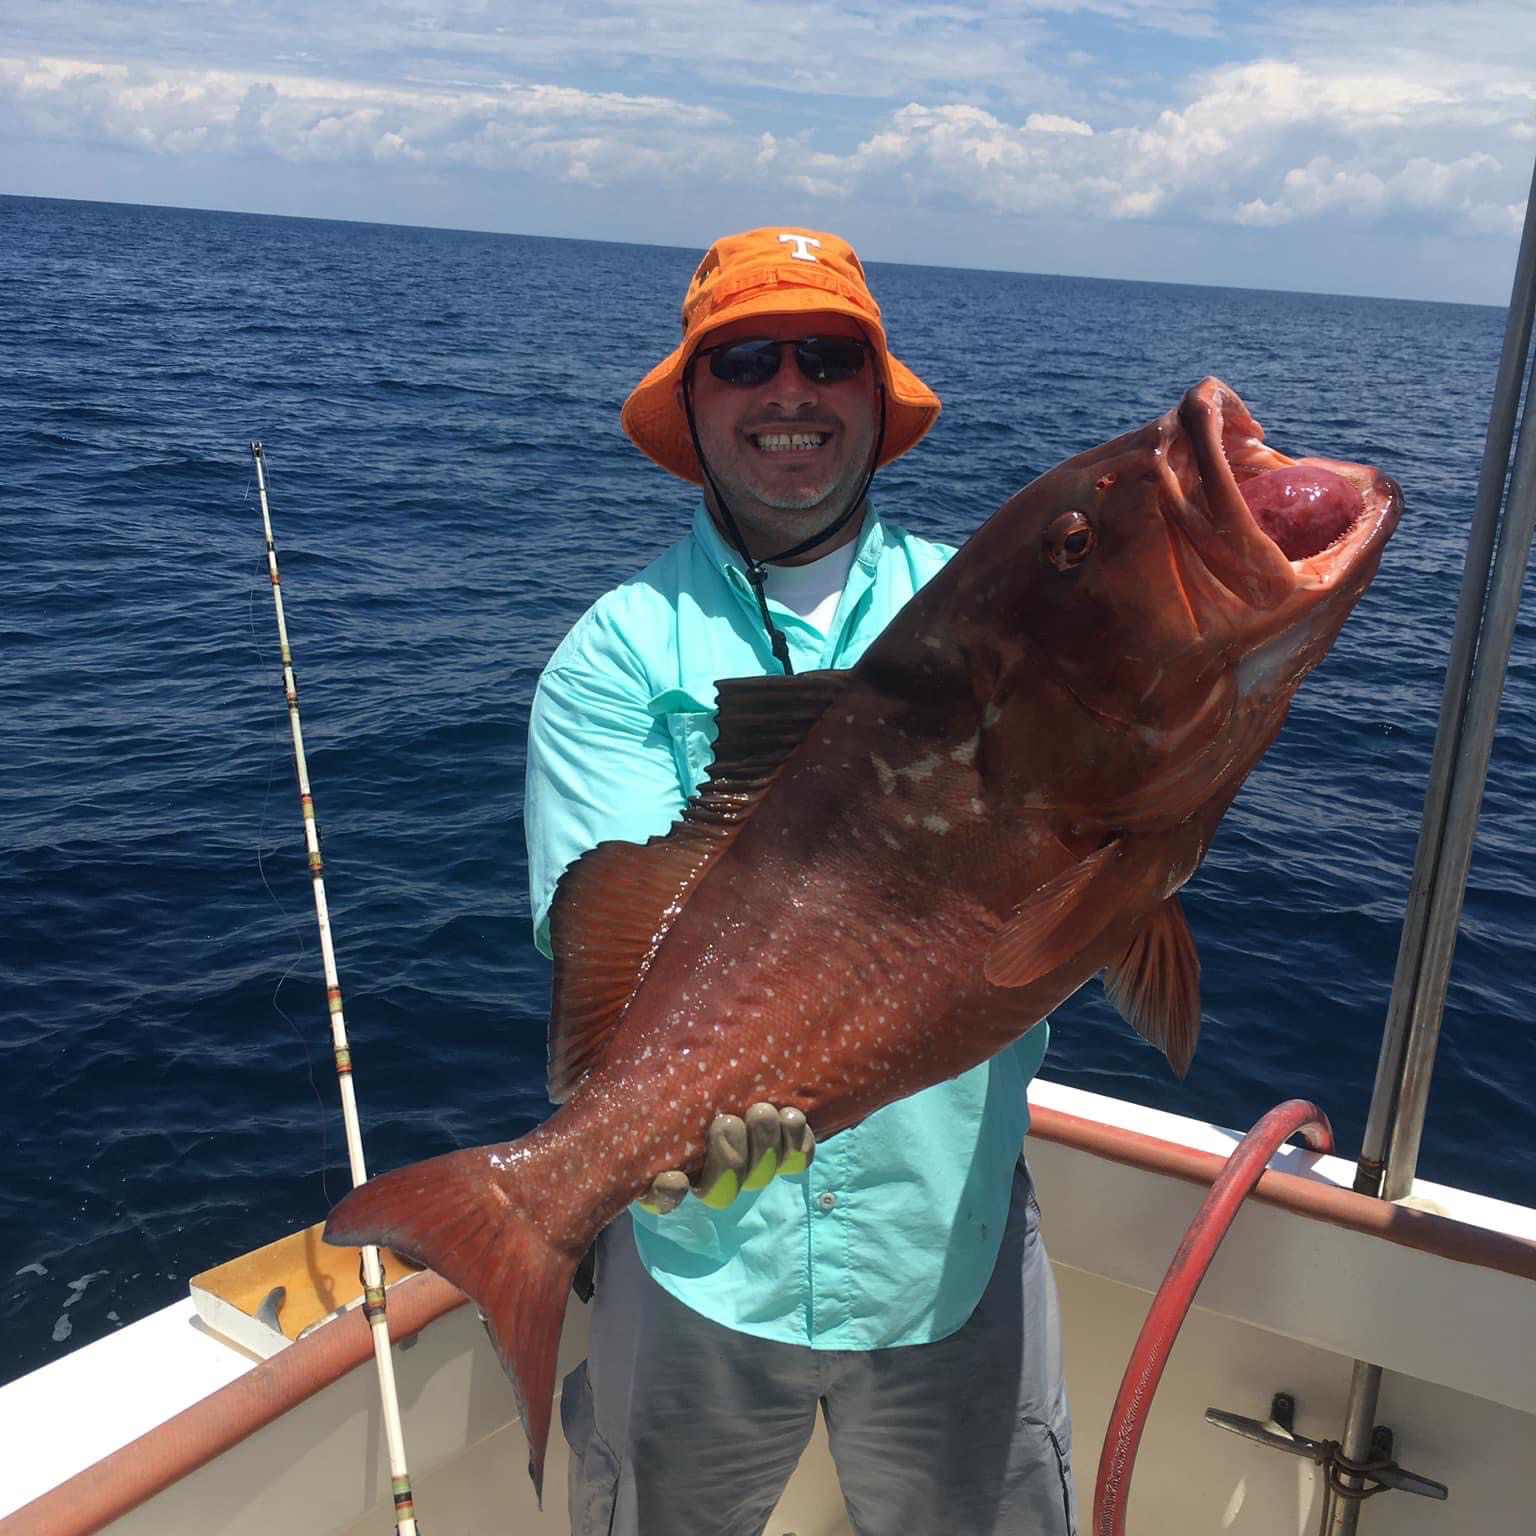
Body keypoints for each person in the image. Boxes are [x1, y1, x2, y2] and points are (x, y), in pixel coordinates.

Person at [524, 227, 1076, 1535]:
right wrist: (655, 1131)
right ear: (696, 400)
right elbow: (621, 970)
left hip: (950, 1248)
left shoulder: (999, 614)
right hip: (698, 1264)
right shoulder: (611, 658)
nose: (790, 393)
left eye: (828, 358)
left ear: (877, 398)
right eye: (745, 360)